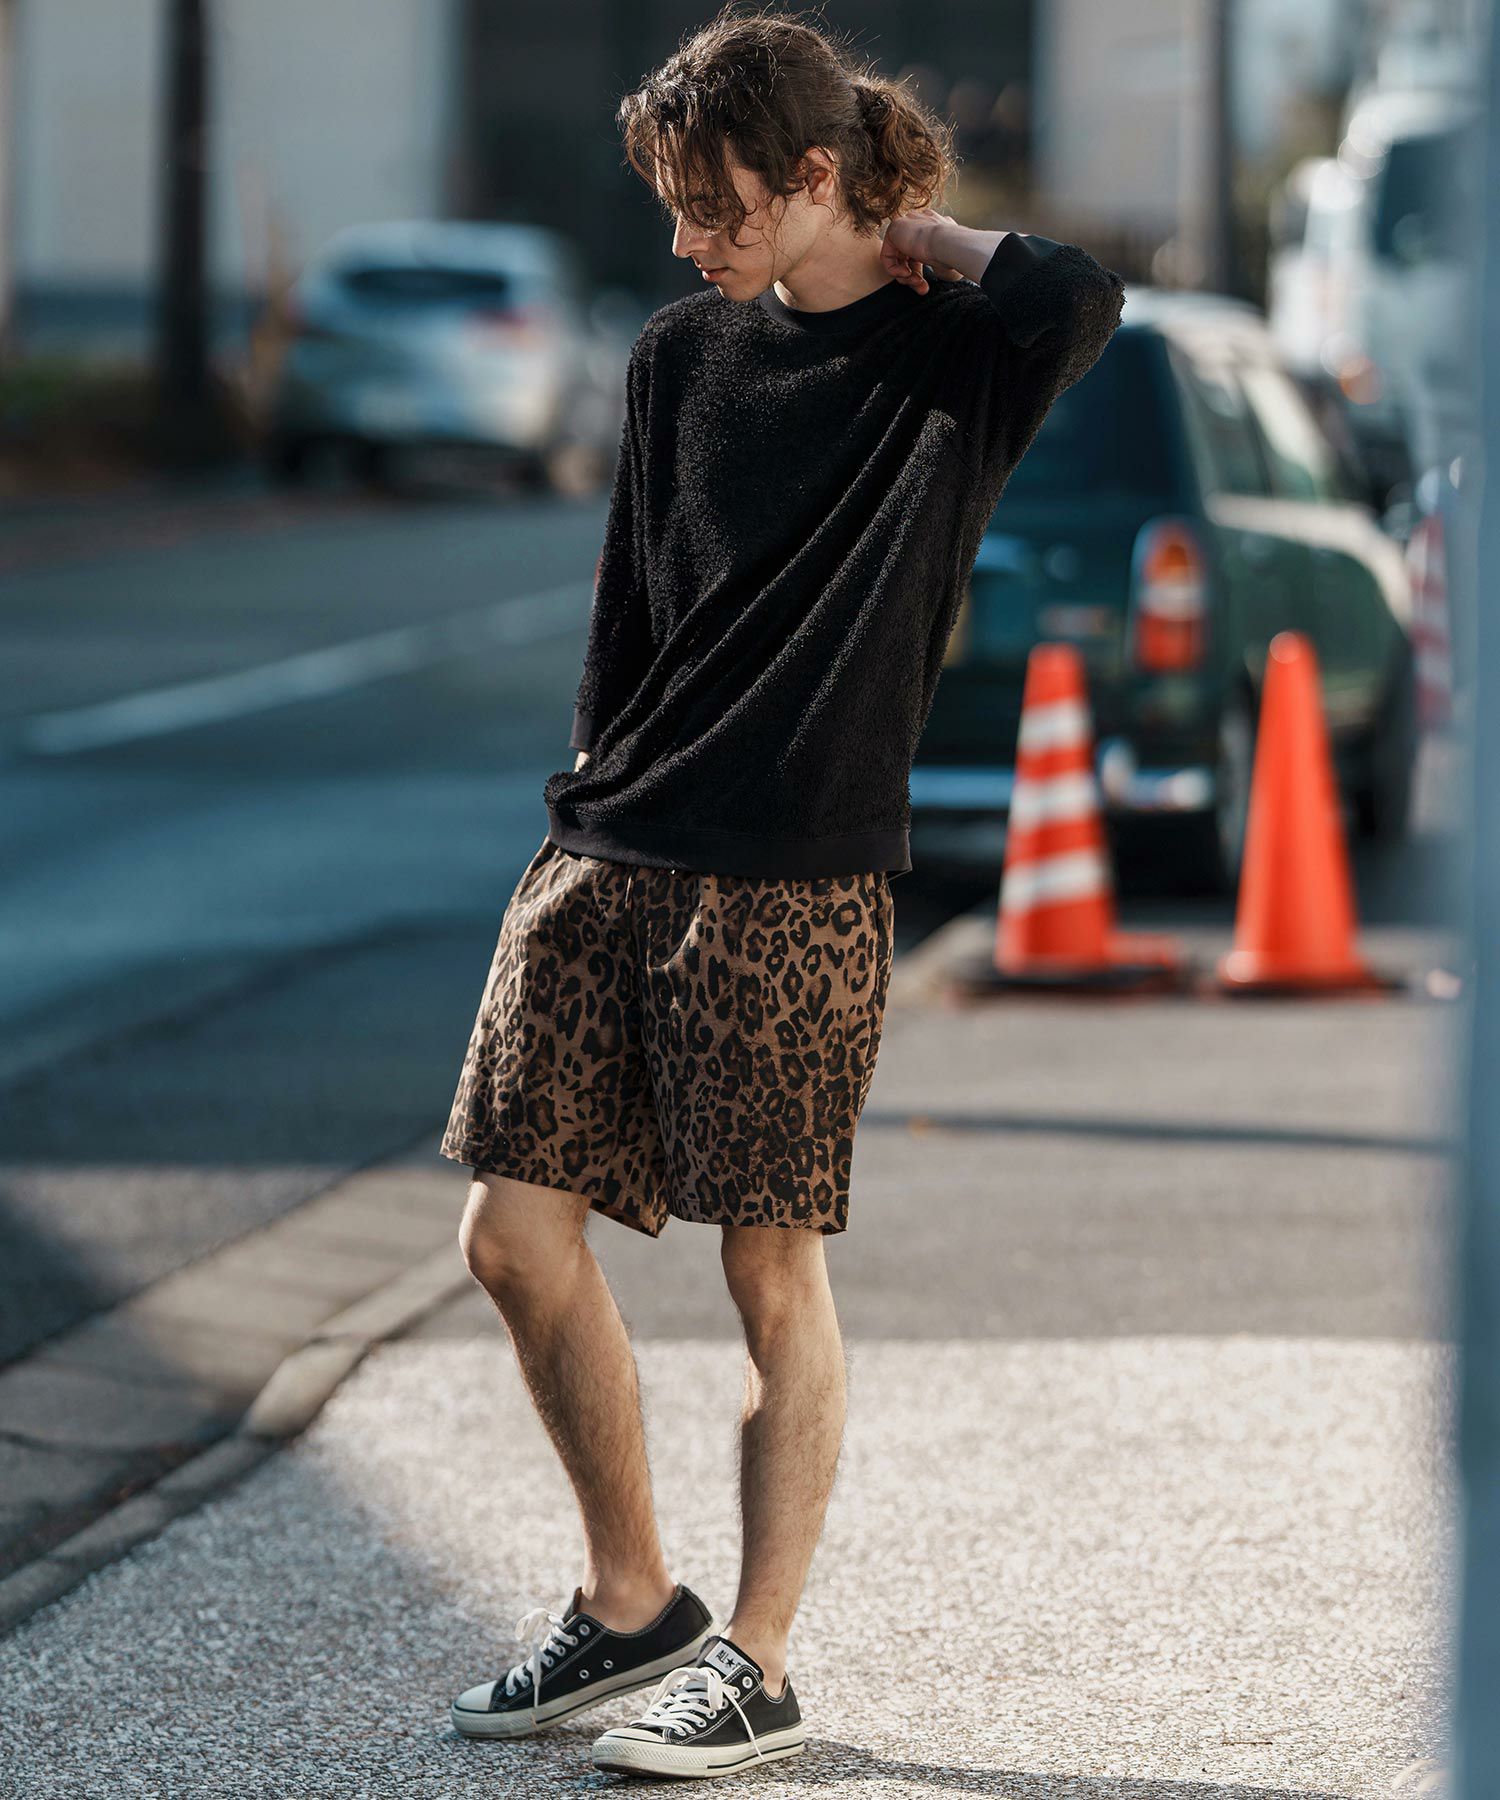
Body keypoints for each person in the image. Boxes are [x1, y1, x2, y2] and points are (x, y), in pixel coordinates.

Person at [439, 3, 1123, 1780]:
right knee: (508, 1234)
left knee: (768, 1268)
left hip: (797, 878)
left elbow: (1078, 298)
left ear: (815, 176)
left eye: (713, 204)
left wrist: (931, 238)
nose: (686, 241)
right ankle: (630, 1604)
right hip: (613, 845)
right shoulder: (678, 354)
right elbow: (629, 611)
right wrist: (587, 800)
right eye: (673, 207)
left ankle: (756, 1656)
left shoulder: (950, 362)